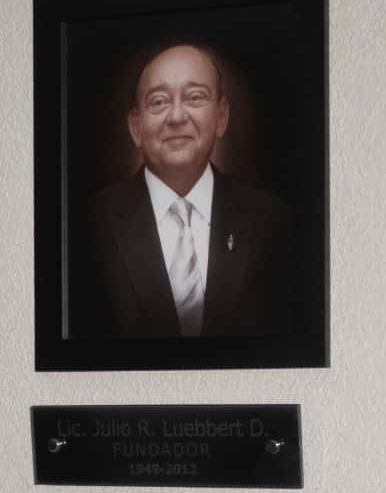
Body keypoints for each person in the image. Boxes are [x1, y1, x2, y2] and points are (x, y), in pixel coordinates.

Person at [74, 42, 293, 339]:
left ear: (222, 117)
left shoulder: (271, 220)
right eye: (159, 101)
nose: (176, 117)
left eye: (194, 97)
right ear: (135, 127)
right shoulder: (89, 225)